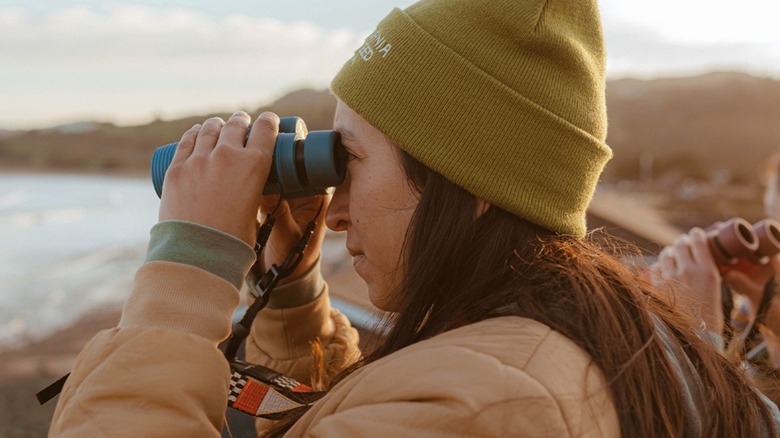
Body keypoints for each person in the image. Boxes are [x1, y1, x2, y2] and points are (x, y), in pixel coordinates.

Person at [48, 0, 779, 436]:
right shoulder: (545, 337)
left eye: (351, 161)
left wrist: (185, 271)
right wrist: (295, 293)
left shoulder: (486, 404)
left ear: (472, 181)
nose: (332, 214)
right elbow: (363, 407)